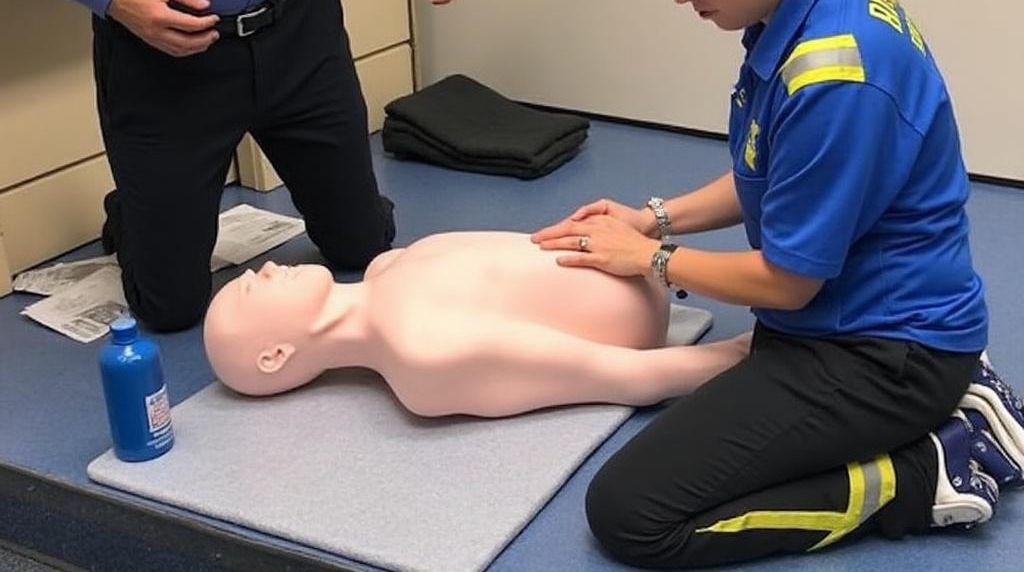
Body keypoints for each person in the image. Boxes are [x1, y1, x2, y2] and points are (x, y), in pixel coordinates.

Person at [531, 0, 1024, 568]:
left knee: (631, 515)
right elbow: (775, 170)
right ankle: (948, 397)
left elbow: (788, 282)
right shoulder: (804, 2)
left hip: (882, 353)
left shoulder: (837, 73)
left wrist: (649, 259)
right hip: (854, 317)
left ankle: (925, 473)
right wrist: (655, 217)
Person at [0, 0, 464, 332]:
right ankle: (132, 212)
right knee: (170, 309)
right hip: (163, 58)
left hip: (298, 24)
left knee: (363, 246)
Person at [202, 231, 752, 417]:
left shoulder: (386, 266)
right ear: (274, 356)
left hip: (637, 258)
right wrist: (745, 353)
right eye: (255, 287)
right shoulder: (421, 354)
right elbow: (615, 373)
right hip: (637, 308)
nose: (269, 266)